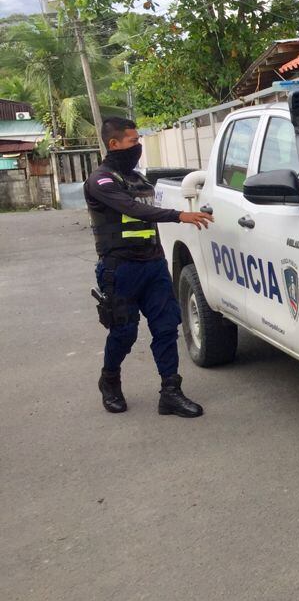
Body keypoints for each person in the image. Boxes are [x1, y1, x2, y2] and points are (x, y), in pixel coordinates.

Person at [84, 117, 213, 417]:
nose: (138, 145)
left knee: (167, 327)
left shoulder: (140, 180)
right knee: (124, 332)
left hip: (152, 265)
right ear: (114, 144)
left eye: (139, 139)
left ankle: (170, 392)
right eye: (132, 141)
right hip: (121, 269)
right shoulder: (101, 180)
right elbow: (134, 209)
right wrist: (179, 216)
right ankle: (110, 381)